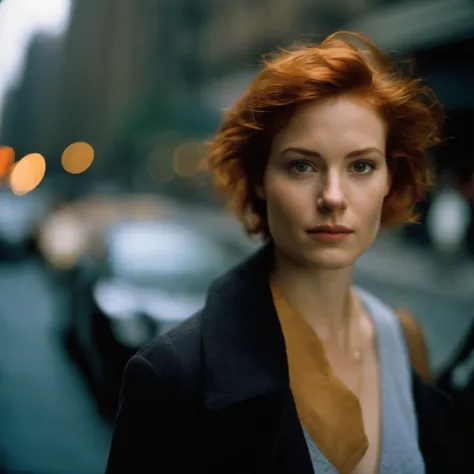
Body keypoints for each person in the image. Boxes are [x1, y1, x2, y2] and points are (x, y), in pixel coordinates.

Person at [105, 32, 460, 474]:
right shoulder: (172, 376)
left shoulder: (402, 340)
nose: (333, 197)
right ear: (258, 178)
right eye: (302, 165)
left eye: (361, 166)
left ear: (391, 178)